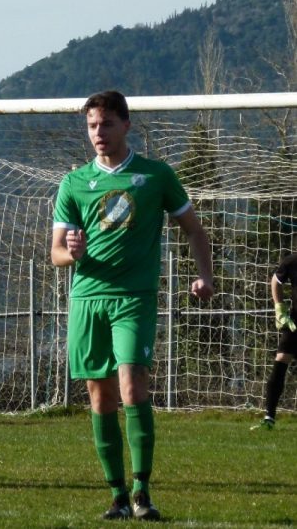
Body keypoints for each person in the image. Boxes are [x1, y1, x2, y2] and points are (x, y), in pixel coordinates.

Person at [51, 90, 214, 522]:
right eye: (91, 126)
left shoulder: (156, 175)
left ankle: (142, 492)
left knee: (132, 387)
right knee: (100, 396)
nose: (98, 133)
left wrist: (205, 275)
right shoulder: (73, 183)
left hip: (133, 299)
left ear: (126, 125)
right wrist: (75, 252)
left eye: (105, 124)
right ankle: (117, 496)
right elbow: (56, 255)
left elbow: (195, 230)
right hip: (88, 299)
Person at [252, 253, 297, 430]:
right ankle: (269, 417)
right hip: (295, 323)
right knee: (281, 359)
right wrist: (279, 308)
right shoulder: (292, 262)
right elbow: (276, 281)